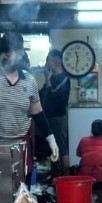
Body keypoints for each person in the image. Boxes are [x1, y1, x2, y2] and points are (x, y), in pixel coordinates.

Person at [0, 32, 58, 184]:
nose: (12, 59)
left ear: (21, 54)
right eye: (8, 55)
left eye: (16, 55)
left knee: (22, 186)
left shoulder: (29, 80)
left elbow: (38, 113)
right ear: (1, 54)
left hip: (21, 143)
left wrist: (51, 138)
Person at [39, 49, 71, 177]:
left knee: (62, 148)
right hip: (49, 117)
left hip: (58, 117)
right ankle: (56, 176)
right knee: (53, 146)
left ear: (55, 61)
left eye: (48, 60)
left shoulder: (64, 78)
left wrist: (47, 78)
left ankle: (65, 177)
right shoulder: (53, 77)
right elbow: (42, 94)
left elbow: (54, 93)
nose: (46, 63)